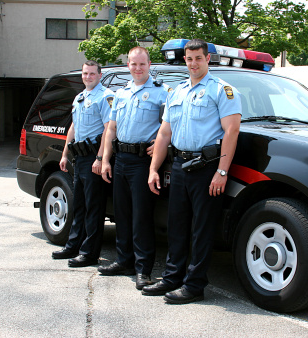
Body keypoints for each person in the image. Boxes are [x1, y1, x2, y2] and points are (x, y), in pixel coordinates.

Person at [143, 39, 242, 304]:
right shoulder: (176, 92)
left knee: (201, 229)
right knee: (176, 225)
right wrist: (154, 169)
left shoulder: (222, 90)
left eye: (198, 58)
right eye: (189, 59)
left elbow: (232, 131)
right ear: (184, 60)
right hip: (179, 166)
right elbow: (164, 134)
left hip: (206, 168)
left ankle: (194, 285)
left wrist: (221, 172)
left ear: (208, 59)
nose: (193, 63)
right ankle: (171, 278)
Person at [99, 46, 170, 290]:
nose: (137, 68)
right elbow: (111, 129)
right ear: (128, 65)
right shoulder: (121, 93)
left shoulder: (163, 93)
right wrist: (106, 160)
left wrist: (161, 144)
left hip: (143, 163)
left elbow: (171, 126)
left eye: (142, 64)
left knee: (141, 218)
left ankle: (143, 270)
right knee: (122, 215)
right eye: (133, 64)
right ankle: (123, 260)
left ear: (150, 64)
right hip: (121, 160)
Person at [52, 60, 114, 268]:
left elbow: (108, 129)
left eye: (92, 74)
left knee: (93, 209)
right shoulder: (80, 97)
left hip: (93, 158)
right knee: (78, 205)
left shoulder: (105, 96)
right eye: (85, 73)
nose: (88, 77)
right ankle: (73, 246)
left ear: (99, 75)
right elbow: (73, 127)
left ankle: (89, 253)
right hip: (79, 158)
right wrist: (64, 154)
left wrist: (99, 158)